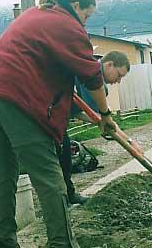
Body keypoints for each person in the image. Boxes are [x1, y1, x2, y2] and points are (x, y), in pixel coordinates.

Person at [0, 0, 119, 248]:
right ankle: (61, 243)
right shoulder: (67, 25)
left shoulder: (35, 14)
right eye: (87, 16)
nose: (85, 22)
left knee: (1, 174)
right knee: (48, 177)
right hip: (17, 97)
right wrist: (105, 114)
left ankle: (6, 242)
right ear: (77, 6)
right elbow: (92, 74)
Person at [61, 50, 134, 205]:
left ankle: (68, 195)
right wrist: (102, 122)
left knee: (65, 155)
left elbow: (80, 111)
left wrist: (106, 124)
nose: (119, 81)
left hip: (59, 117)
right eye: (119, 75)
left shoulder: (101, 88)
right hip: (45, 113)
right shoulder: (88, 74)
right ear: (109, 65)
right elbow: (83, 111)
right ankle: (61, 200)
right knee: (60, 156)